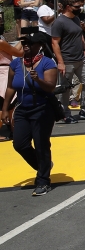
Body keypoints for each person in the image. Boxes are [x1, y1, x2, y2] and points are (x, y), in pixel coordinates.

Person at [2, 28, 56, 196]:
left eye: (29, 44)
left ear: (39, 45)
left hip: (42, 110)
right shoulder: (15, 64)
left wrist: (37, 79)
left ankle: (42, 181)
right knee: (20, 144)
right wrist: (4, 109)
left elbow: (50, 86)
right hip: (22, 110)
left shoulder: (48, 63)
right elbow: (11, 87)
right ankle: (43, 165)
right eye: (24, 43)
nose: (25, 46)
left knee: (41, 145)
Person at [51, 0, 85, 123]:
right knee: (65, 88)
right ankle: (64, 113)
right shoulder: (59, 22)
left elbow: (80, 36)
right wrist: (60, 62)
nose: (80, 9)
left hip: (80, 58)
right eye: (77, 7)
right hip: (67, 60)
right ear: (68, 6)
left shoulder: (76, 19)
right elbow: (55, 43)